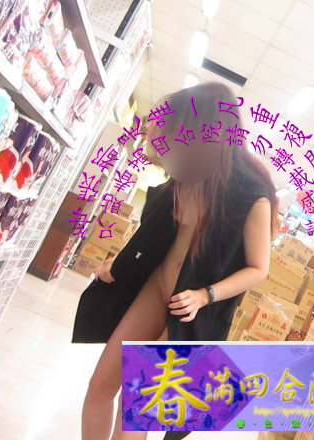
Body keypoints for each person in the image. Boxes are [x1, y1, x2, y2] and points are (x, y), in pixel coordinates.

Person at [74, 82, 279, 440]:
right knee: (100, 386)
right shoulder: (183, 178)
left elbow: (259, 268)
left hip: (191, 309)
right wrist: (118, 266)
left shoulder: (250, 195)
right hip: (156, 288)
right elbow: (153, 239)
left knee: (135, 410)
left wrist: (205, 295)